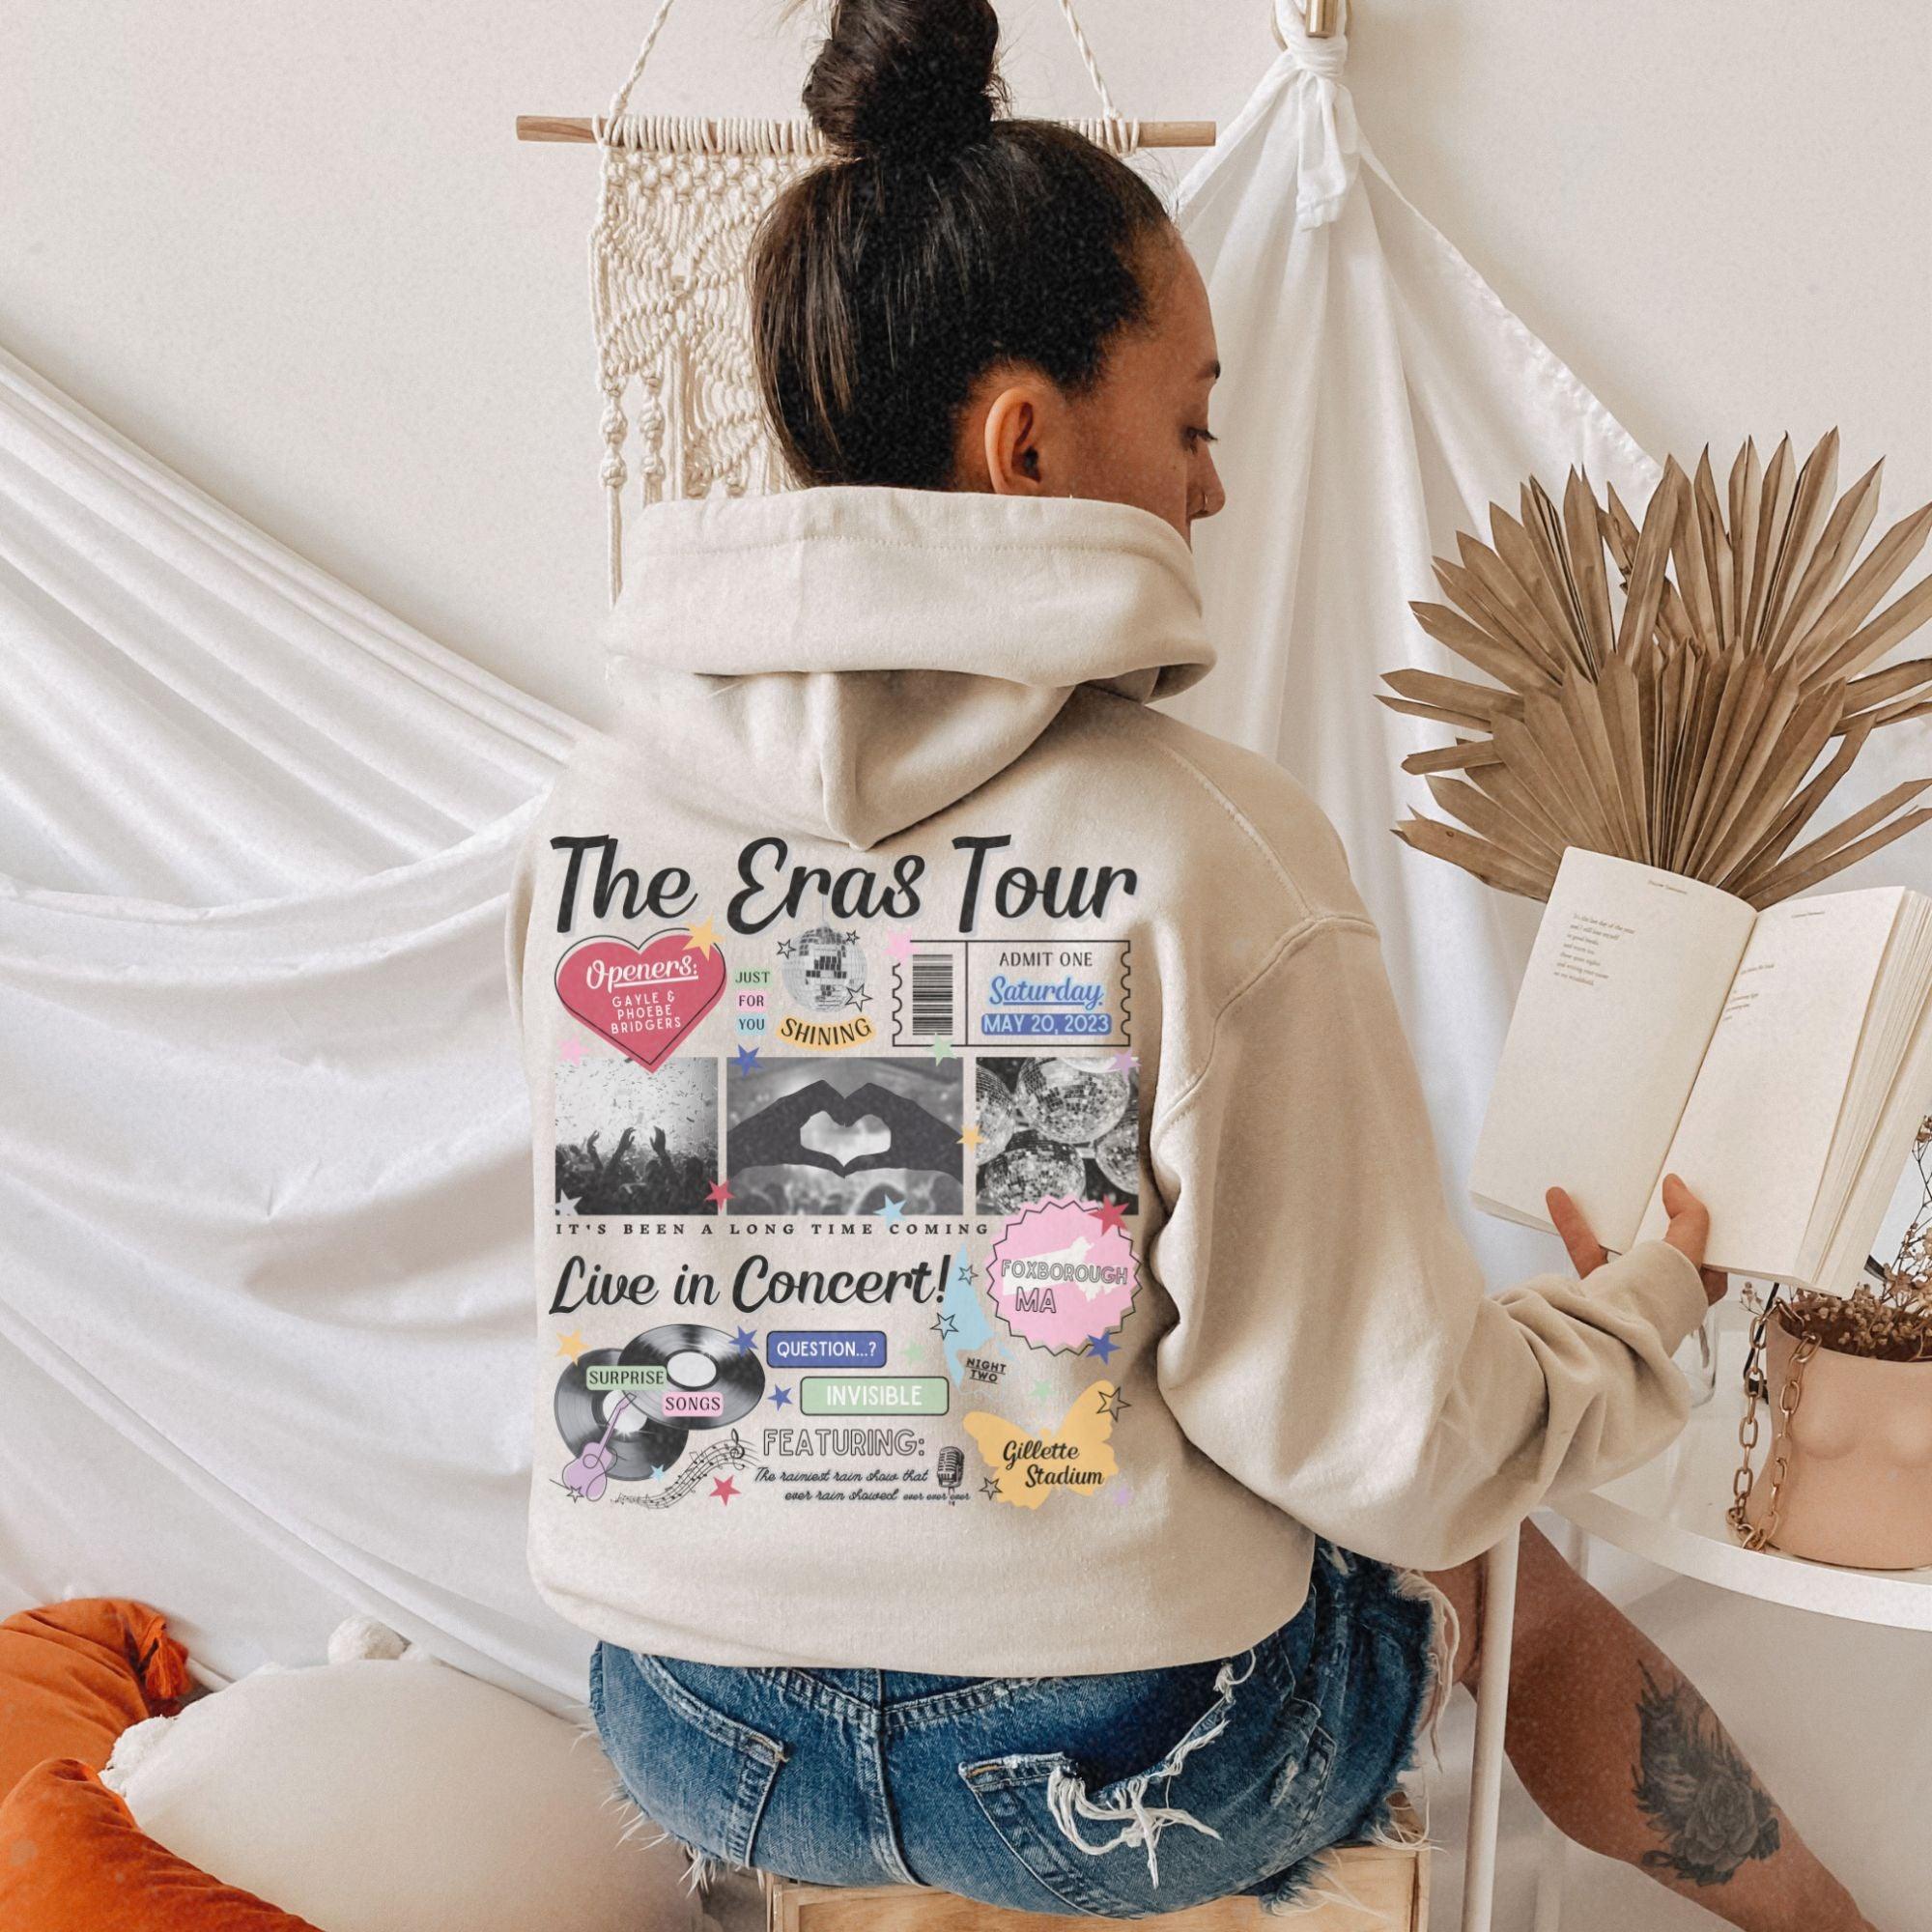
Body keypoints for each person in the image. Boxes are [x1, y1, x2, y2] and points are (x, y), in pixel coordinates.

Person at [504, 3, 1878, 1924]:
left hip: (686, 1723)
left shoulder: (587, 821)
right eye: (1194, 419)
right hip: (1114, 1773)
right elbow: (1388, 1451)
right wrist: (1639, 1311)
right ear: (1026, 440)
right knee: (1476, 1526)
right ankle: (1823, 1916)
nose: (1213, 488)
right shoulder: (1198, 841)